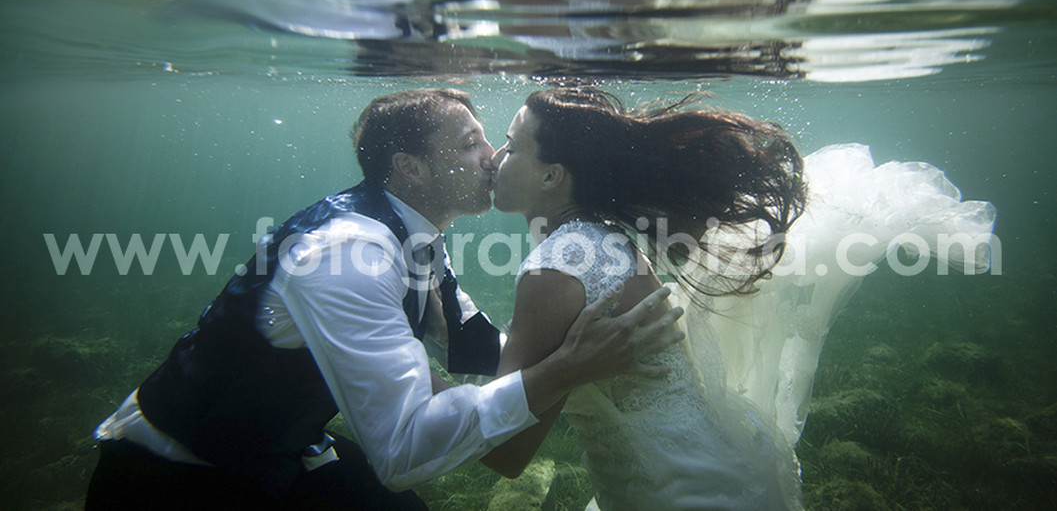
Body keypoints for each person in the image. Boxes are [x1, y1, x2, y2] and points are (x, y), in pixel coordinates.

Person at [85, 88, 683, 511]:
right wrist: (567, 369)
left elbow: (471, 344)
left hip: (278, 451)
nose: (494, 158)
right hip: (170, 473)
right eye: (473, 143)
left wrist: (571, 339)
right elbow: (401, 452)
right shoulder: (350, 254)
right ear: (411, 168)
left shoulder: (415, 236)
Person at [486, 88, 997, 511]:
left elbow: (506, 453)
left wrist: (419, 390)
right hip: (718, 475)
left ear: (552, 175)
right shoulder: (606, 237)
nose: (494, 158)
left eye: (509, 146)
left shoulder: (555, 269)